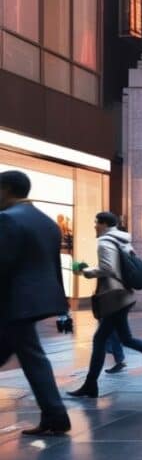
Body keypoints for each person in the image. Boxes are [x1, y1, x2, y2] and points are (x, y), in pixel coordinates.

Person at [67, 211, 142, 398]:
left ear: (104, 224)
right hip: (124, 295)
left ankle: (90, 385)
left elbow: (108, 268)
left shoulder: (105, 242)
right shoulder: (122, 239)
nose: (95, 226)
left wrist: (86, 271)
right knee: (126, 338)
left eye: (96, 223)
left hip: (115, 296)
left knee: (100, 339)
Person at [0, 170, 72, 436]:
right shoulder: (46, 221)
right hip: (33, 300)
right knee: (31, 356)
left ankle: (56, 415)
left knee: (33, 357)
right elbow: (53, 264)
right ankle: (55, 416)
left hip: (12, 302)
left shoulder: (7, 219)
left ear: (5, 189)